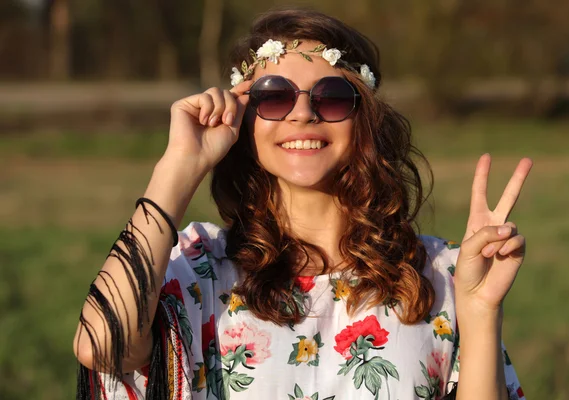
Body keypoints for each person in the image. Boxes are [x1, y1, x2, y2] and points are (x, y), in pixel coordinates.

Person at [74, 8, 532, 400]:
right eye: (273, 96)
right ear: (242, 114)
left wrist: (479, 308)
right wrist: (178, 166)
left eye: (332, 97)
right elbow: (102, 347)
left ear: (365, 118)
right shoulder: (197, 268)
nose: (302, 113)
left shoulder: (442, 274)